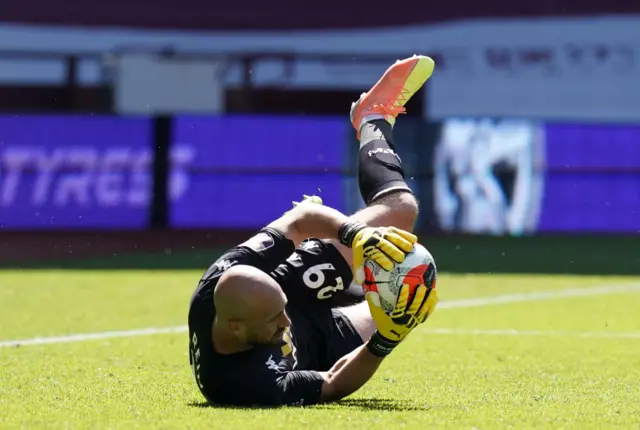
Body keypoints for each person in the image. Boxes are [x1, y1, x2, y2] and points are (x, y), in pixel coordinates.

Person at [188, 55, 438, 407]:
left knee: (400, 211)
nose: (285, 323)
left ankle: (372, 117)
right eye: (277, 322)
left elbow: (304, 216)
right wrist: (389, 339)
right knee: (403, 311)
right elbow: (334, 383)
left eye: (282, 312)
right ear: (236, 330)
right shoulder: (246, 385)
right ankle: (361, 293)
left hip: (291, 284)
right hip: (322, 346)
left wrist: (356, 235)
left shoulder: (222, 277)